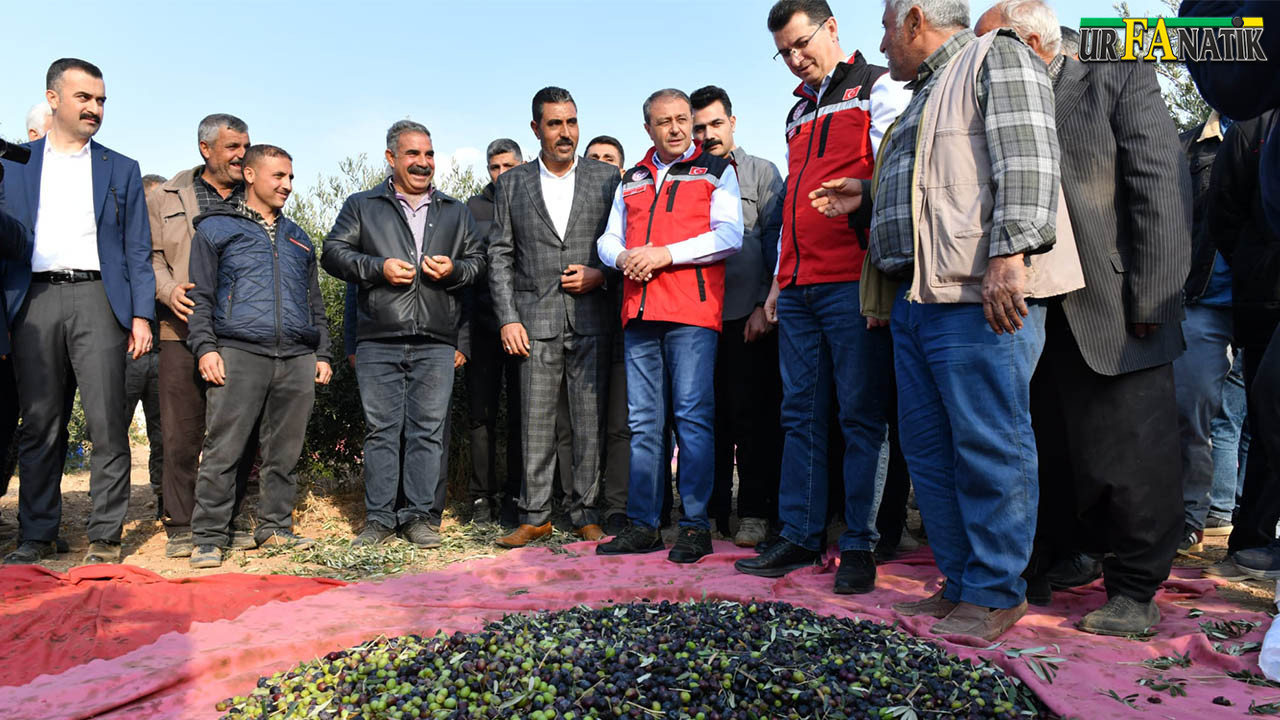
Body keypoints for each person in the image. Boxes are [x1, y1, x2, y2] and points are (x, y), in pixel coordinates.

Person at [817, 0, 1080, 640]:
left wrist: (1010, 256)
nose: (881, 45)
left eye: (884, 28)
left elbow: (1028, 158)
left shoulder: (998, 54)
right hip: (921, 296)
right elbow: (936, 182)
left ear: (913, 21)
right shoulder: (927, 92)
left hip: (977, 294)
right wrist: (870, 194)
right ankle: (962, 583)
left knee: (988, 443)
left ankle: (995, 591)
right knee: (932, 451)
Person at [975, 0, 1191, 636]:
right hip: (1034, 307)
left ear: (1035, 44)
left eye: (996, 49)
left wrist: (1156, 296)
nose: (984, 64)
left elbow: (1157, 180)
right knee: (1057, 446)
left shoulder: (1115, 67)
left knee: (1130, 453)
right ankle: (1068, 555)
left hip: (1116, 304)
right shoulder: (1002, 101)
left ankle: (1135, 588)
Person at [733, 0, 910, 595]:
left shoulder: (879, 87)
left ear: (832, 28)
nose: (794, 58)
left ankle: (860, 543)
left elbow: (896, 172)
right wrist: (780, 280)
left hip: (853, 282)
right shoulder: (795, 114)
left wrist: (863, 192)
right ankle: (801, 534)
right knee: (799, 415)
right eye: (783, 51)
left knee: (862, 416)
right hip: (801, 287)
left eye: (802, 43)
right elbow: (789, 209)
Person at [1, 58, 155, 565]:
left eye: (101, 100)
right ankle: (37, 534)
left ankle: (106, 538)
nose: (94, 108)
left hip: (99, 301)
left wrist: (141, 316)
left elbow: (137, 249)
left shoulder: (121, 167)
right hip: (35, 300)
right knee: (40, 423)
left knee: (108, 423)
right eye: (84, 98)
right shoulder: (15, 164)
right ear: (53, 99)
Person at [595, 88, 743, 563]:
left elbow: (730, 235)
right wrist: (620, 258)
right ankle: (644, 525)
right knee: (643, 425)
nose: (677, 128)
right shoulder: (631, 178)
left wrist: (664, 255)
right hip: (639, 313)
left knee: (693, 421)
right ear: (648, 129)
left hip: (691, 316)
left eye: (683, 119)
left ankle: (695, 527)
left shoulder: (717, 171)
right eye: (665, 122)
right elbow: (608, 237)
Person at [322, 120, 485, 549]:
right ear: (391, 158)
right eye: (413, 154)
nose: (423, 163)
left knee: (428, 431)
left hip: (436, 338)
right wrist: (377, 268)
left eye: (429, 154)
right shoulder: (362, 205)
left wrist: (454, 271)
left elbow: (478, 265)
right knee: (381, 430)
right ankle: (378, 519)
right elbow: (333, 253)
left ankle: (418, 518)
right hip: (379, 337)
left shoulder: (455, 210)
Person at [184, 144, 330, 568]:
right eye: (278, 176)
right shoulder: (215, 230)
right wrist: (206, 348)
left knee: (284, 453)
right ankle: (209, 535)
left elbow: (314, 300)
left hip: (297, 357)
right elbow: (202, 297)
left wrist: (321, 352)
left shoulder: (299, 237)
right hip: (238, 351)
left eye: (290, 177)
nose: (287, 185)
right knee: (223, 449)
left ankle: (275, 528)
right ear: (249, 175)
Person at [488, 87, 621, 547]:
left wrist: (601, 275)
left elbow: (621, 242)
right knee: (535, 423)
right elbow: (500, 255)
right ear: (535, 129)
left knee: (590, 423)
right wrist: (507, 317)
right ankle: (535, 515)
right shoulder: (512, 183)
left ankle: (586, 512)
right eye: (554, 124)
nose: (565, 133)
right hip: (533, 321)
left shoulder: (608, 179)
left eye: (571, 122)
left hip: (591, 317)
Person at [149, 114, 260, 559]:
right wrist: (167, 290)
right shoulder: (164, 197)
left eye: (245, 146)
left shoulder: (254, 194)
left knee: (234, 433)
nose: (241, 156)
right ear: (205, 149)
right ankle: (180, 524)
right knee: (180, 432)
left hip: (236, 334)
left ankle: (224, 519)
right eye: (233, 147)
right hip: (178, 331)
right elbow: (149, 257)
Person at [689, 85, 785, 548]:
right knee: (708, 418)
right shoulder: (687, 175)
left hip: (750, 317)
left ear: (733, 122)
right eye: (699, 127)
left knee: (753, 420)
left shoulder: (763, 173)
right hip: (698, 318)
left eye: (715, 124)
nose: (707, 134)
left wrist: (765, 305)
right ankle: (709, 513)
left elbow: (778, 244)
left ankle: (753, 513)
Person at [1176, 110, 1238, 551]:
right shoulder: (1191, 145)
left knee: (1262, 422)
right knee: (1188, 410)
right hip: (1205, 300)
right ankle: (1188, 518)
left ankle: (1252, 530)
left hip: (1266, 300)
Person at [465, 138, 526, 524]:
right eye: (494, 167)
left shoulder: (533, 198)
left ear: (522, 165)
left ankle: (517, 496)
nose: (501, 174)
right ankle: (479, 498)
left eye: (508, 166)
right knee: (480, 416)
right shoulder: (471, 208)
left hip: (525, 327)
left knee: (524, 416)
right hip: (483, 327)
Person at [582, 134, 631, 536]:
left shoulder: (634, 198)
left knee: (621, 424)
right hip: (578, 327)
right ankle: (580, 504)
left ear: (621, 166)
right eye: (593, 158)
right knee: (578, 423)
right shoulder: (574, 201)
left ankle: (617, 505)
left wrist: (605, 274)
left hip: (622, 327)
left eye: (608, 159)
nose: (600, 164)